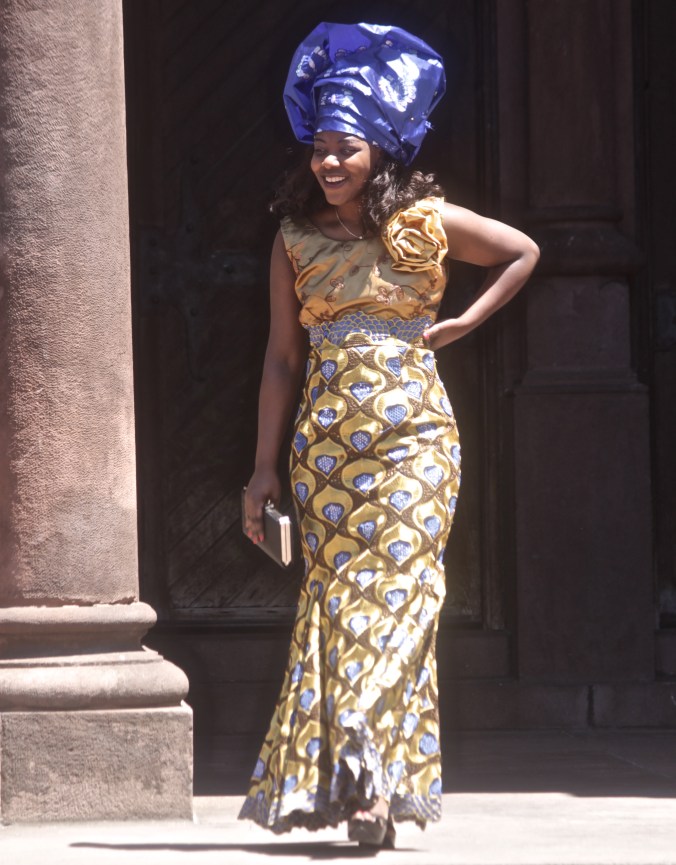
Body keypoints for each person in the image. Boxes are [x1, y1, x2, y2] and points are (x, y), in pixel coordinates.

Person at [239, 22, 539, 848]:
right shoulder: (293, 239)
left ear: (379, 150)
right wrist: (262, 472)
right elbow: (278, 358)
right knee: (341, 605)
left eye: (345, 148)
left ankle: (364, 738)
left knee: (407, 595)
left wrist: (463, 323)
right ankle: (369, 791)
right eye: (319, 149)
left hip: (415, 440)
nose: (328, 163)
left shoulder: (423, 221)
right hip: (326, 449)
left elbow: (521, 251)